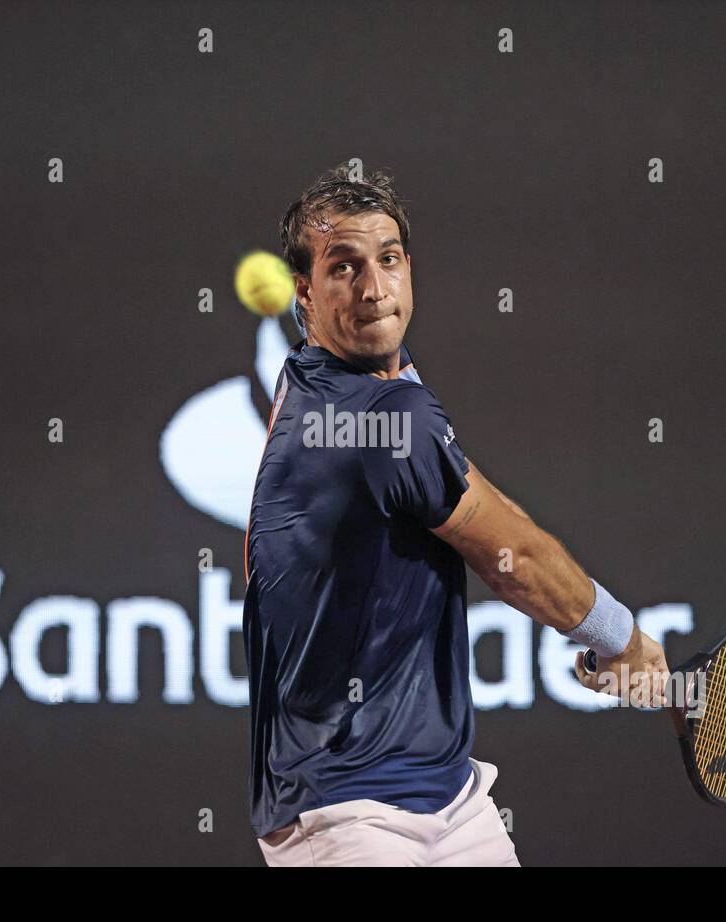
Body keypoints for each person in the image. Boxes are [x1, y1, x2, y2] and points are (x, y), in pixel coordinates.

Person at [242, 165, 671, 866]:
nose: (374, 289)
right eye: (344, 268)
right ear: (305, 292)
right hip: (350, 815)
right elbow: (516, 561)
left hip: (449, 796)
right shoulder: (385, 418)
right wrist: (619, 638)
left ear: (409, 267)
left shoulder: (317, 384)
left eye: (387, 261)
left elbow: (475, 500)